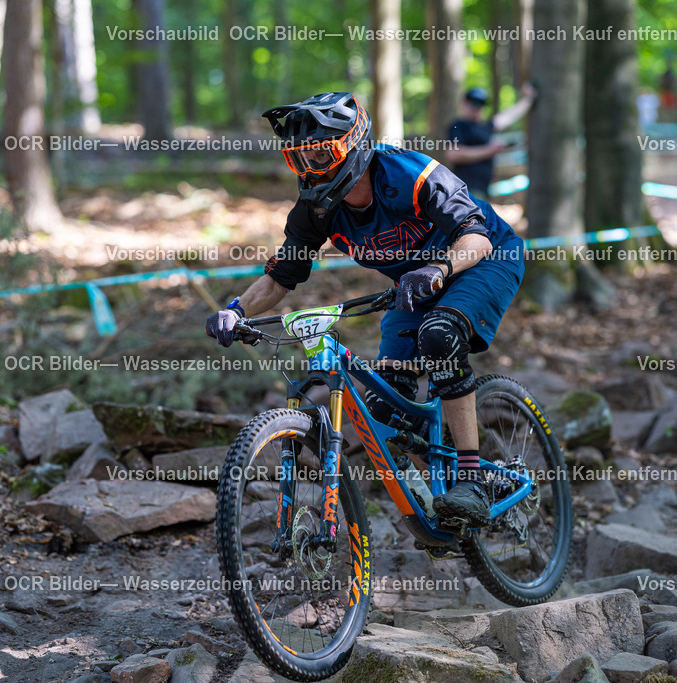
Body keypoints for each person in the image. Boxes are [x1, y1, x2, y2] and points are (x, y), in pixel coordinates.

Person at [205, 92, 525, 526]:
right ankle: (444, 490)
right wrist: (236, 310)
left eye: (320, 154)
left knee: (440, 335)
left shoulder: (410, 174)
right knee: (386, 406)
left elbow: (476, 237)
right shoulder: (316, 210)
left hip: (485, 258)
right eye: (299, 158)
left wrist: (438, 268)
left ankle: (471, 480)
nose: (310, 168)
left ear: (353, 146)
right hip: (415, 285)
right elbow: (281, 277)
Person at [444, 84, 538, 199]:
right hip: (465, 188)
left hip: (483, 188)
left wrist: (528, 100)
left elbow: (508, 116)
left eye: (481, 104)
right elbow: (453, 154)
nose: (477, 108)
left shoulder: (485, 127)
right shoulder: (458, 126)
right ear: (465, 103)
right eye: (474, 103)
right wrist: (489, 150)